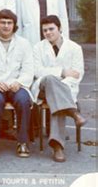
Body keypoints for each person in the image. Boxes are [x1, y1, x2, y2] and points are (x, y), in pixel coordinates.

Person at [31, 15, 86, 162]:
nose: (48, 33)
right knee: (50, 80)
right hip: (42, 87)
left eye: (51, 29)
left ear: (59, 28)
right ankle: (73, 113)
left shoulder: (75, 48)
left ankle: (57, 146)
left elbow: (78, 73)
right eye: (45, 30)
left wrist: (61, 83)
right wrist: (62, 72)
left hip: (67, 88)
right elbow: (37, 71)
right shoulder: (37, 48)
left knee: (56, 97)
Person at [0, 10, 34, 158]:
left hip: (17, 84)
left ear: (14, 25)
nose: (6, 26)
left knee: (23, 100)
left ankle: (23, 142)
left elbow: (29, 69)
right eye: (2, 22)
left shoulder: (24, 44)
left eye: (9, 23)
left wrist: (19, 82)